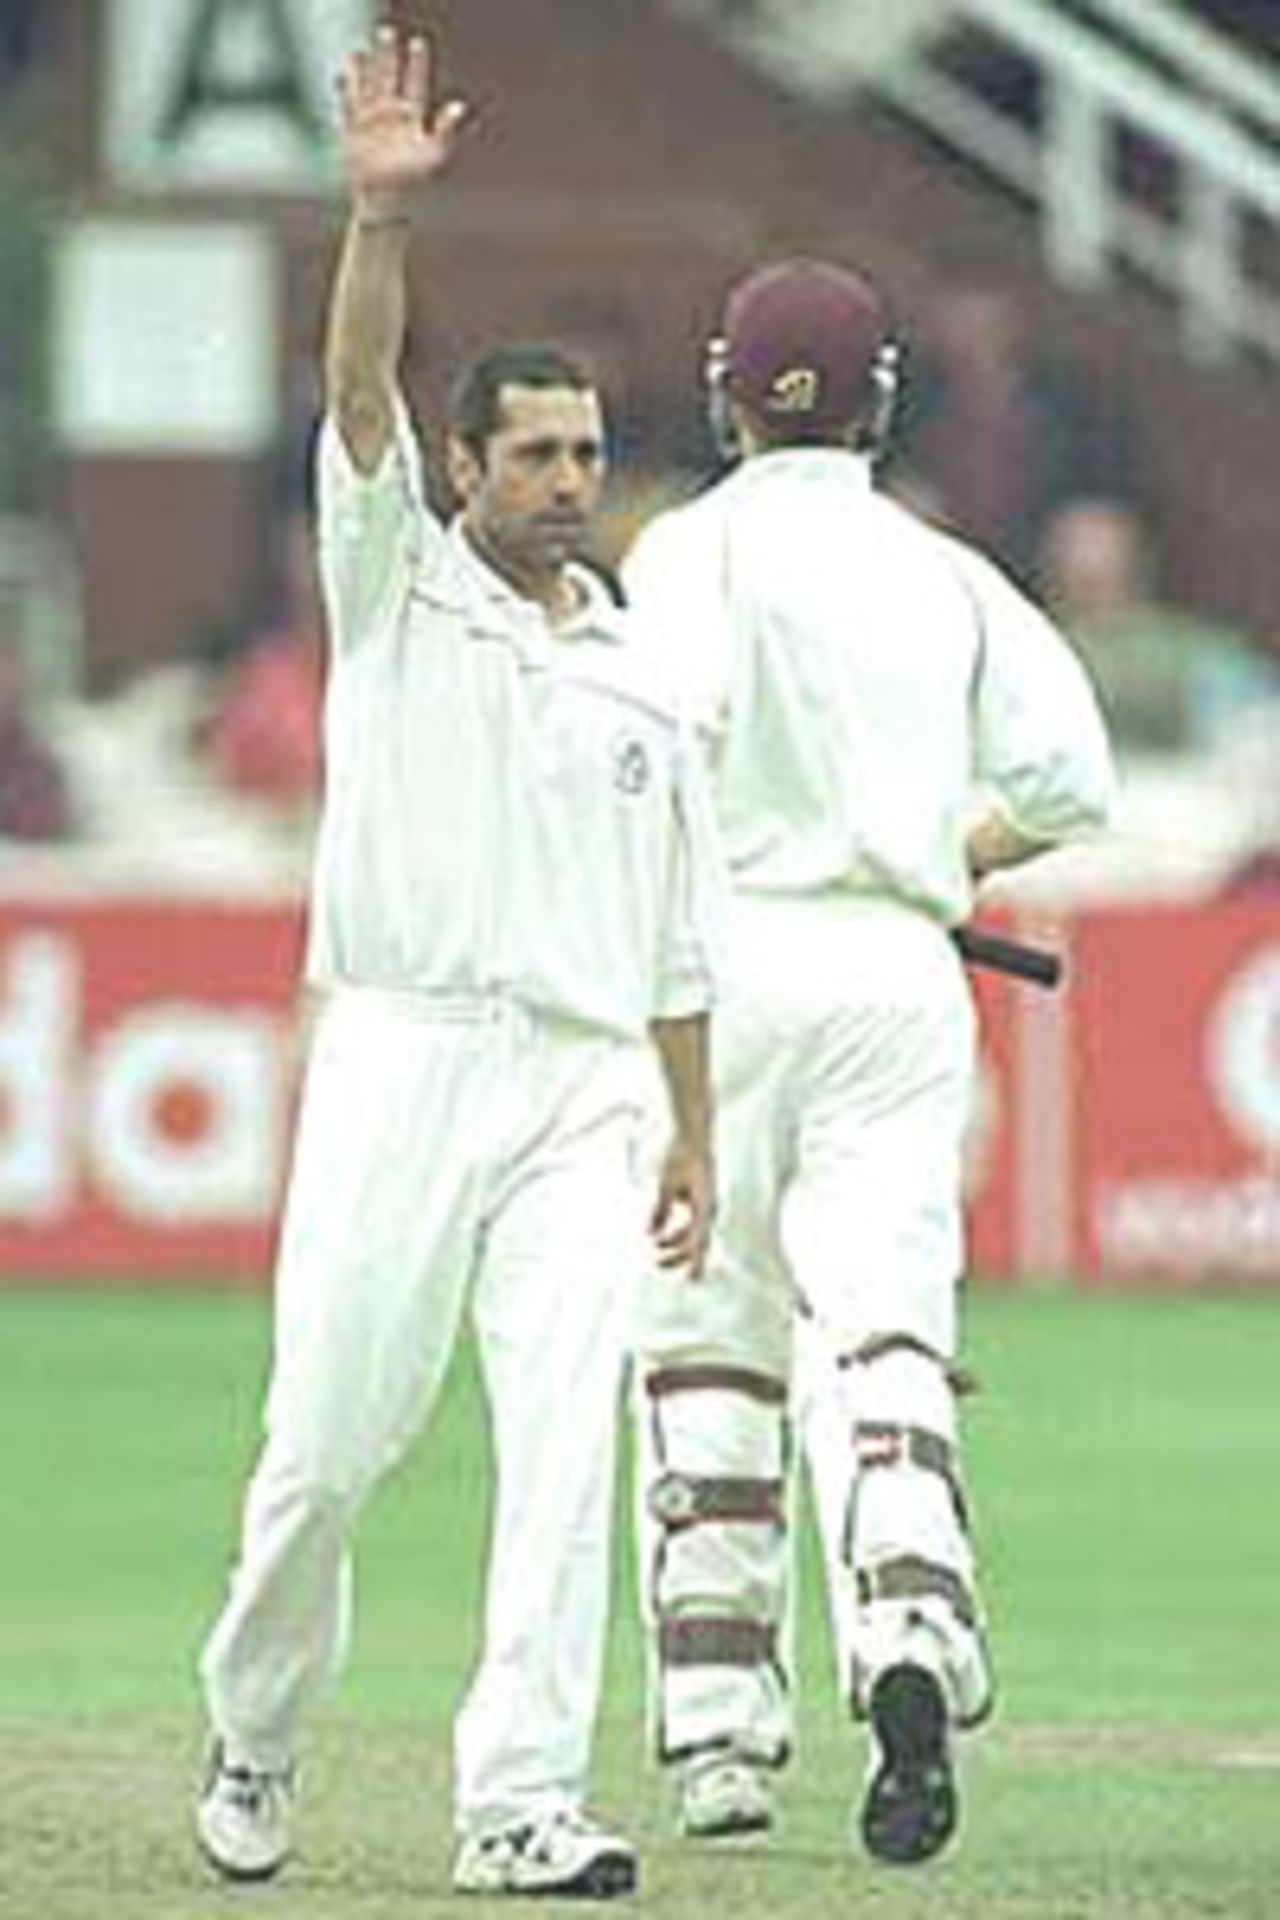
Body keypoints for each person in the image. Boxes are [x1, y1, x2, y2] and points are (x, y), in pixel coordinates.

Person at [195, 25, 722, 1902]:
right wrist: (375, 223)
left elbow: (675, 930)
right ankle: (255, 1727)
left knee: (569, 1446)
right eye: (536, 452)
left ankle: (519, 1803)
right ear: (468, 466)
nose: (570, 478)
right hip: (406, 1061)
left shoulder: (646, 659)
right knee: (327, 1448)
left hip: (583, 1086)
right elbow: (353, 388)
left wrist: (691, 1130)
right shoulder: (394, 580)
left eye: (587, 450)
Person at [622, 259, 1114, 1864]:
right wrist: (931, 853)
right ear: (883, 398)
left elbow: (655, 748)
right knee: (883, 1331)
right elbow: (1069, 775)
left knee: (707, 1334)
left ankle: (717, 1735)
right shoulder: (941, 569)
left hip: (722, 959)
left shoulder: (683, 553)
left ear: (721, 392)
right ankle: (910, 1634)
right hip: (897, 973)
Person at [1037, 497, 1280, 758]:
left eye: (1107, 570)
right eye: (1082, 574)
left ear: (1138, 570)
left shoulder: (1186, 650)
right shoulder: (1029, 657)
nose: (1095, 582)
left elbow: (1256, 720)